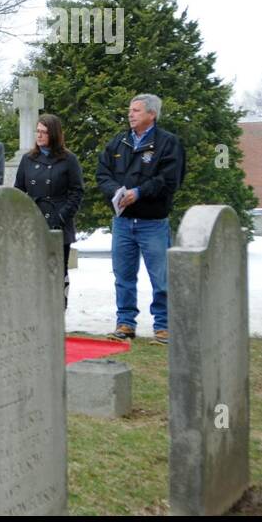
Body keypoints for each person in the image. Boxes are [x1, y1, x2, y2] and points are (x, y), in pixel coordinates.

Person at [95, 93, 184, 344]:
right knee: (123, 277)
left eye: (136, 110)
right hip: (123, 223)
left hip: (153, 223)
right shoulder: (119, 142)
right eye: (130, 110)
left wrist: (140, 192)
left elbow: (169, 180)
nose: (130, 114)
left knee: (161, 278)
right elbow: (102, 173)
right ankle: (125, 324)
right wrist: (115, 191)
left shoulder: (168, 143)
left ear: (151, 114)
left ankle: (164, 326)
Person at [13, 113, 83, 309]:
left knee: (57, 272)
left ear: (53, 134)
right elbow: (19, 190)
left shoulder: (68, 159)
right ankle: (35, 311)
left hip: (59, 222)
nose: (39, 135)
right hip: (34, 222)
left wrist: (62, 215)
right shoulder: (28, 159)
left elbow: (77, 191)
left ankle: (58, 311)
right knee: (33, 271)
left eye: (44, 132)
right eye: (38, 131)